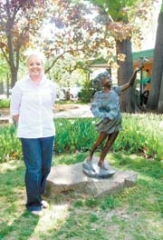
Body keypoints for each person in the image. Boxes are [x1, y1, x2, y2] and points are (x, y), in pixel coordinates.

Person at [10, 51, 56, 216]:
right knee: (34, 167)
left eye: (38, 63)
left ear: (43, 65)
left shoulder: (50, 85)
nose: (35, 66)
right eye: (31, 64)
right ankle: (33, 204)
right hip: (29, 133)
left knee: (45, 166)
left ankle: (38, 195)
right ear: (27, 66)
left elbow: (51, 105)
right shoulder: (20, 86)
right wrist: (22, 126)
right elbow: (15, 111)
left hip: (47, 131)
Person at [84, 66, 143, 172]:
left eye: (110, 77)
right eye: (107, 78)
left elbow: (130, 84)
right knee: (99, 142)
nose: (110, 79)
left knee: (110, 143)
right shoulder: (99, 95)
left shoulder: (116, 90)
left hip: (117, 121)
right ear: (102, 82)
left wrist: (135, 71)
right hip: (107, 122)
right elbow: (95, 108)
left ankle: (101, 161)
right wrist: (103, 116)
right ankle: (90, 156)